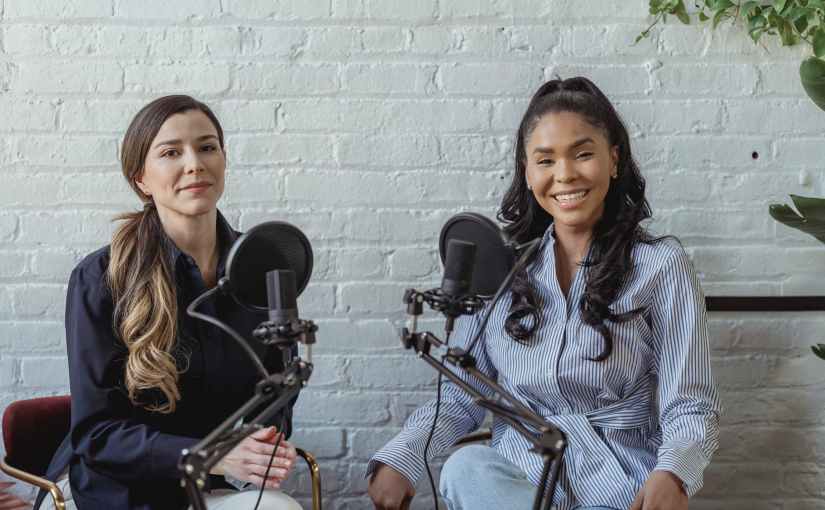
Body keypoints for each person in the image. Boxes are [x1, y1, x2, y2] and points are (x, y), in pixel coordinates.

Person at [367, 77, 722, 510]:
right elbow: (460, 396)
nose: (565, 174)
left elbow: (689, 403)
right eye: (546, 160)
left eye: (583, 154)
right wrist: (402, 459)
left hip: (621, 486)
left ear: (613, 160)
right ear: (527, 170)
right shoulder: (498, 271)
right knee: (466, 468)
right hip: (520, 483)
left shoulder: (661, 265)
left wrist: (674, 473)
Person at [38, 96, 302, 510]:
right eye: (171, 153)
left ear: (224, 160)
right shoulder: (100, 278)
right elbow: (96, 434)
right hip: (110, 492)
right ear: (141, 177)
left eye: (207, 146)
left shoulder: (262, 271)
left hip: (204, 487)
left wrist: (259, 445)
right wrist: (213, 454)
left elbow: (277, 395)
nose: (194, 163)